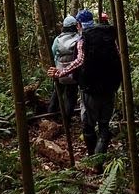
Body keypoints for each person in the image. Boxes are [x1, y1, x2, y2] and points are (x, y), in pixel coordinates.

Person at [47, 8, 122, 156]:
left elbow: (79, 61)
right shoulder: (108, 36)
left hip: (90, 89)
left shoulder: (83, 40)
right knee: (104, 125)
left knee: (88, 125)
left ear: (79, 24)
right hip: (110, 87)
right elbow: (119, 57)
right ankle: (100, 158)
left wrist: (60, 73)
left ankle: (93, 157)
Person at [47, 15, 81, 122]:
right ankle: (66, 120)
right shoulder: (79, 38)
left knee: (57, 93)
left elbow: (53, 54)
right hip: (73, 73)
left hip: (59, 72)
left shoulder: (58, 40)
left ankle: (51, 115)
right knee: (71, 96)